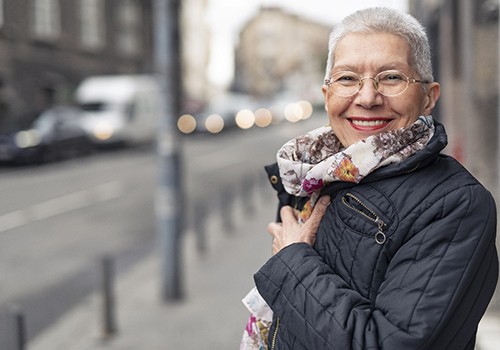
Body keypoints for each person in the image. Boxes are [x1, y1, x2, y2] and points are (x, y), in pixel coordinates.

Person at [245, 7, 499, 350]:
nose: (366, 98)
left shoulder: (456, 204)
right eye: (348, 78)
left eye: (391, 77)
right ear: (327, 95)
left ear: (429, 97)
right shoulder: (311, 173)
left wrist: (291, 260)